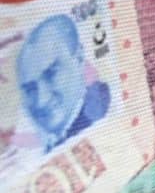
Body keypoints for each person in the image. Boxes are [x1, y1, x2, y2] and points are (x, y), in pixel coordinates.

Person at [18, 14, 110, 152]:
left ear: (79, 57)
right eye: (30, 89)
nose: (41, 100)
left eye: (51, 73)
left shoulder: (102, 110)